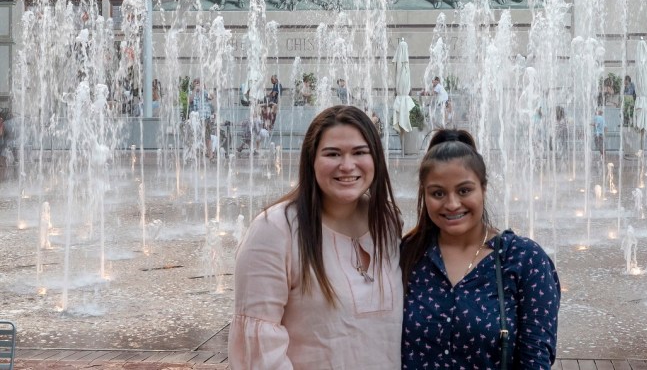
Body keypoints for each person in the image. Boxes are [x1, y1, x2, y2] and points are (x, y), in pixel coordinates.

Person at [229, 105, 403, 369]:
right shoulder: (275, 231)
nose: (347, 165)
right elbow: (259, 352)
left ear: (376, 158)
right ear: (311, 160)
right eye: (333, 154)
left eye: (359, 152)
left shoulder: (387, 223)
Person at [400, 129, 561, 368]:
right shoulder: (407, 254)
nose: (452, 204)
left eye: (464, 190)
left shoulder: (524, 260)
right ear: (424, 194)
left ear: (483, 189)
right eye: (438, 193)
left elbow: (536, 358)